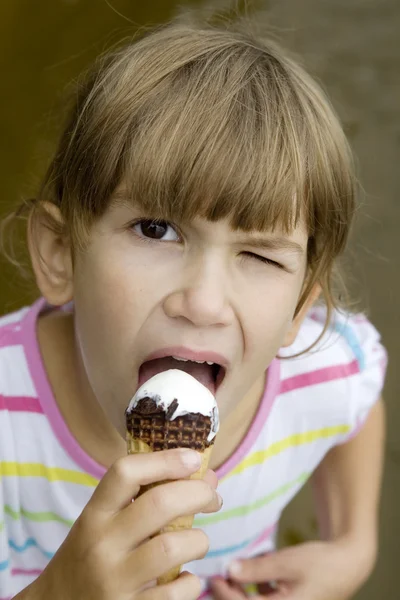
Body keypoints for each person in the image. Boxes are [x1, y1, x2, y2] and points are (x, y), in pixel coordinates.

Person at [0, 13, 387, 600]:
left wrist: (352, 545)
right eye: (155, 229)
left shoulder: (319, 371)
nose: (203, 304)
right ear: (61, 254)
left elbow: (357, 399)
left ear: (298, 310)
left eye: (259, 256)